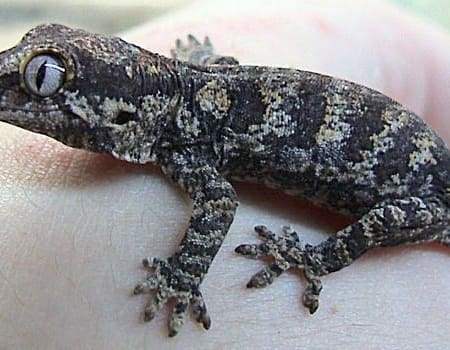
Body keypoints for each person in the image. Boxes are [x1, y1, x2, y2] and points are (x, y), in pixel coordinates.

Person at [1, 1, 448, 348]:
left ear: (121, 111)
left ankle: (315, 263)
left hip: (429, 199)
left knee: (383, 221)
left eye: (44, 77)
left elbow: (219, 202)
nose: (24, 88)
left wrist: (184, 276)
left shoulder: (183, 136)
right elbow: (226, 72)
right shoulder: (191, 110)